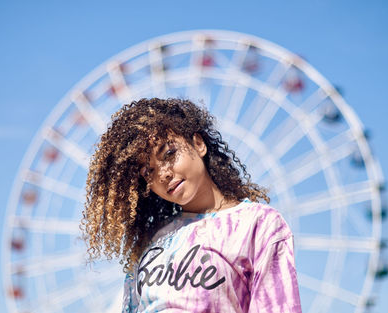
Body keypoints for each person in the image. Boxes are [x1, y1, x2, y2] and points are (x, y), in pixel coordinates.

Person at [81, 98, 302, 313]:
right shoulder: (149, 241)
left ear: (198, 144)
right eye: (149, 171)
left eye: (169, 154)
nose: (164, 174)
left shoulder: (258, 224)